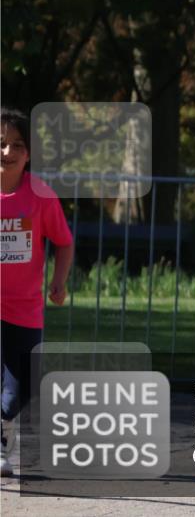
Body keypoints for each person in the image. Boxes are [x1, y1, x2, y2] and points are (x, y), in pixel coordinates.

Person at [0, 107, 74, 477]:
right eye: (1, 144)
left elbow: (63, 242)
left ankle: (5, 429)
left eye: (16, 145)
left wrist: (58, 282)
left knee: (20, 390)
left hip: (26, 310)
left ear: (28, 153)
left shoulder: (41, 195)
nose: (7, 153)